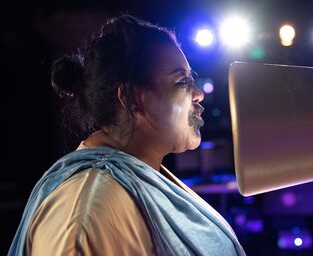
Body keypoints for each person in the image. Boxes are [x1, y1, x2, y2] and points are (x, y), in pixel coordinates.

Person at [8, 14, 246, 256]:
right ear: (131, 99)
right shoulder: (88, 213)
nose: (198, 94)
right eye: (181, 81)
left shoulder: (140, 179)